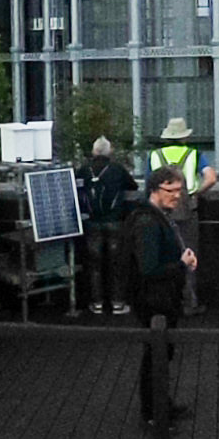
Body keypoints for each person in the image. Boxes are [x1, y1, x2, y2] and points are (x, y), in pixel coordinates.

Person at [127, 171, 197, 431]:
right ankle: (154, 413)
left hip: (158, 297)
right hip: (154, 300)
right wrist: (181, 265)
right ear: (155, 189)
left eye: (179, 190)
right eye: (171, 190)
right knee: (156, 356)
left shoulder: (152, 217)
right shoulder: (148, 222)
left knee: (159, 355)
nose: (177, 196)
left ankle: (160, 406)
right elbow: (149, 268)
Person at [71, 134, 132, 319]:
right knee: (116, 264)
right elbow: (132, 186)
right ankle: (117, 303)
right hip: (115, 221)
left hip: (92, 222)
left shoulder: (84, 169)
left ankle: (97, 303)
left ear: (93, 152)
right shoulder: (117, 169)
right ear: (109, 152)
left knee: (94, 265)